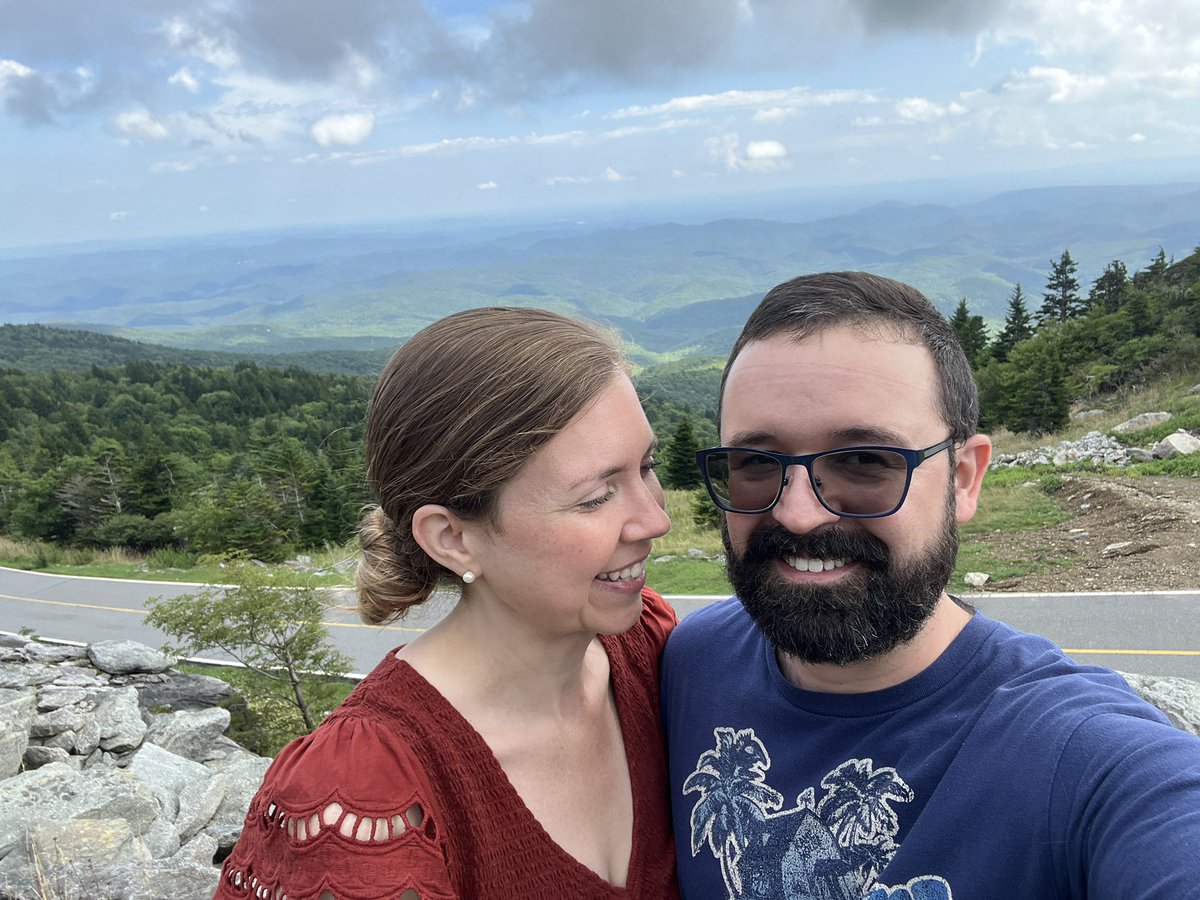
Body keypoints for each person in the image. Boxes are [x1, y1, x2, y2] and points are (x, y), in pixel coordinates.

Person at [660, 271, 1200, 899]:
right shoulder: (689, 664)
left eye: (865, 461)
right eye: (756, 463)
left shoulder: (1087, 762)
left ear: (964, 478)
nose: (799, 513)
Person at [216, 307, 679, 900]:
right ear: (452, 538)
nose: (655, 519)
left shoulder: (650, 652)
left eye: (647, 467)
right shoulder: (366, 794)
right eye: (595, 498)